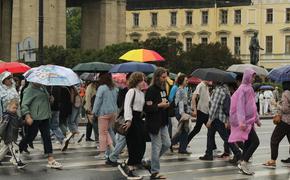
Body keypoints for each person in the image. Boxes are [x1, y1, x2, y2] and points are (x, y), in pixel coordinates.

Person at [19, 82, 62, 169]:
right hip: (34, 117)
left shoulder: (43, 88)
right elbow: (24, 105)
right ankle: (18, 150)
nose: (40, 82)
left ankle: (51, 159)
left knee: (47, 137)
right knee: (30, 137)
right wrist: (27, 115)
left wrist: (50, 100)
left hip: (45, 116)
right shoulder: (29, 90)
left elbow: (43, 101)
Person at [229, 68, 261, 175]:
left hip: (250, 121)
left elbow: (252, 106)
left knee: (248, 143)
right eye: (252, 76)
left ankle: (242, 163)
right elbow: (240, 106)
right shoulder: (243, 89)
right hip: (245, 122)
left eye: (254, 77)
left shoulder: (250, 88)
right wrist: (241, 121)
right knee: (255, 142)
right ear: (247, 76)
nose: (253, 78)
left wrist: (256, 119)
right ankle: (244, 162)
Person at [199, 82, 242, 161]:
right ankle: (208, 153)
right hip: (220, 117)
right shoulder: (225, 90)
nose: (211, 81)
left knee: (225, 137)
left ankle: (238, 153)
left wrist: (210, 119)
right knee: (210, 135)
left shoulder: (218, 91)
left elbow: (214, 106)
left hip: (217, 118)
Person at [118, 72, 146, 179]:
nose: (144, 82)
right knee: (133, 144)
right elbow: (127, 106)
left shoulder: (141, 93)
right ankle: (128, 168)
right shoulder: (131, 91)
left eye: (144, 80)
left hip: (139, 119)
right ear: (136, 81)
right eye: (142, 80)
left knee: (141, 143)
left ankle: (132, 165)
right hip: (132, 119)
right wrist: (128, 120)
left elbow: (142, 108)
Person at [145, 67, 171, 179]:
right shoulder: (151, 90)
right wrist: (160, 105)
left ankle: (150, 161)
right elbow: (147, 107)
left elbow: (164, 100)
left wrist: (167, 104)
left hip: (163, 121)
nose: (165, 79)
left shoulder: (163, 89)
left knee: (167, 144)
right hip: (154, 122)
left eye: (166, 77)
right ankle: (154, 171)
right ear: (157, 77)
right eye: (163, 77)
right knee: (156, 147)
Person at [263, 81, 290, 168]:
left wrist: (276, 104)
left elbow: (285, 109)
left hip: (285, 121)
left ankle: (273, 160)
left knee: (274, 139)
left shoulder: (286, 93)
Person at [106, 73, 131, 167]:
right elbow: (122, 104)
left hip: (123, 116)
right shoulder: (126, 91)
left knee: (122, 139)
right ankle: (112, 157)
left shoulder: (123, 90)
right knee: (123, 139)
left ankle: (111, 156)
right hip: (125, 117)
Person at [92, 73, 118, 159]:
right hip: (113, 112)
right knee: (109, 131)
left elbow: (98, 101)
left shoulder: (101, 88)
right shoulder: (114, 88)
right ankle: (114, 148)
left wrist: (94, 112)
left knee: (102, 133)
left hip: (103, 113)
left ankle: (102, 153)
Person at [0, 99, 26, 169]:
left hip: (13, 136)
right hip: (9, 136)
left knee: (5, 149)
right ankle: (17, 161)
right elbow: (3, 126)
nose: (15, 109)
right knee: (15, 148)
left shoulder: (16, 116)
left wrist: (24, 122)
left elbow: (19, 123)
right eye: (13, 108)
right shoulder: (7, 116)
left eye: (16, 108)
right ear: (8, 107)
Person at [171, 74, 191, 154]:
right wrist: (182, 113)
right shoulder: (180, 90)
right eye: (186, 80)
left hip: (183, 110)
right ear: (181, 81)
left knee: (183, 130)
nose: (187, 82)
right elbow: (180, 102)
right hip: (181, 111)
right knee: (184, 130)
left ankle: (179, 147)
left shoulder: (184, 89)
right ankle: (179, 147)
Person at [49, 86, 72, 151]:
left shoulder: (48, 87)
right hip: (57, 109)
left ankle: (47, 146)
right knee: (55, 127)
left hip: (49, 109)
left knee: (46, 128)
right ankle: (62, 139)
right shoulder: (59, 87)